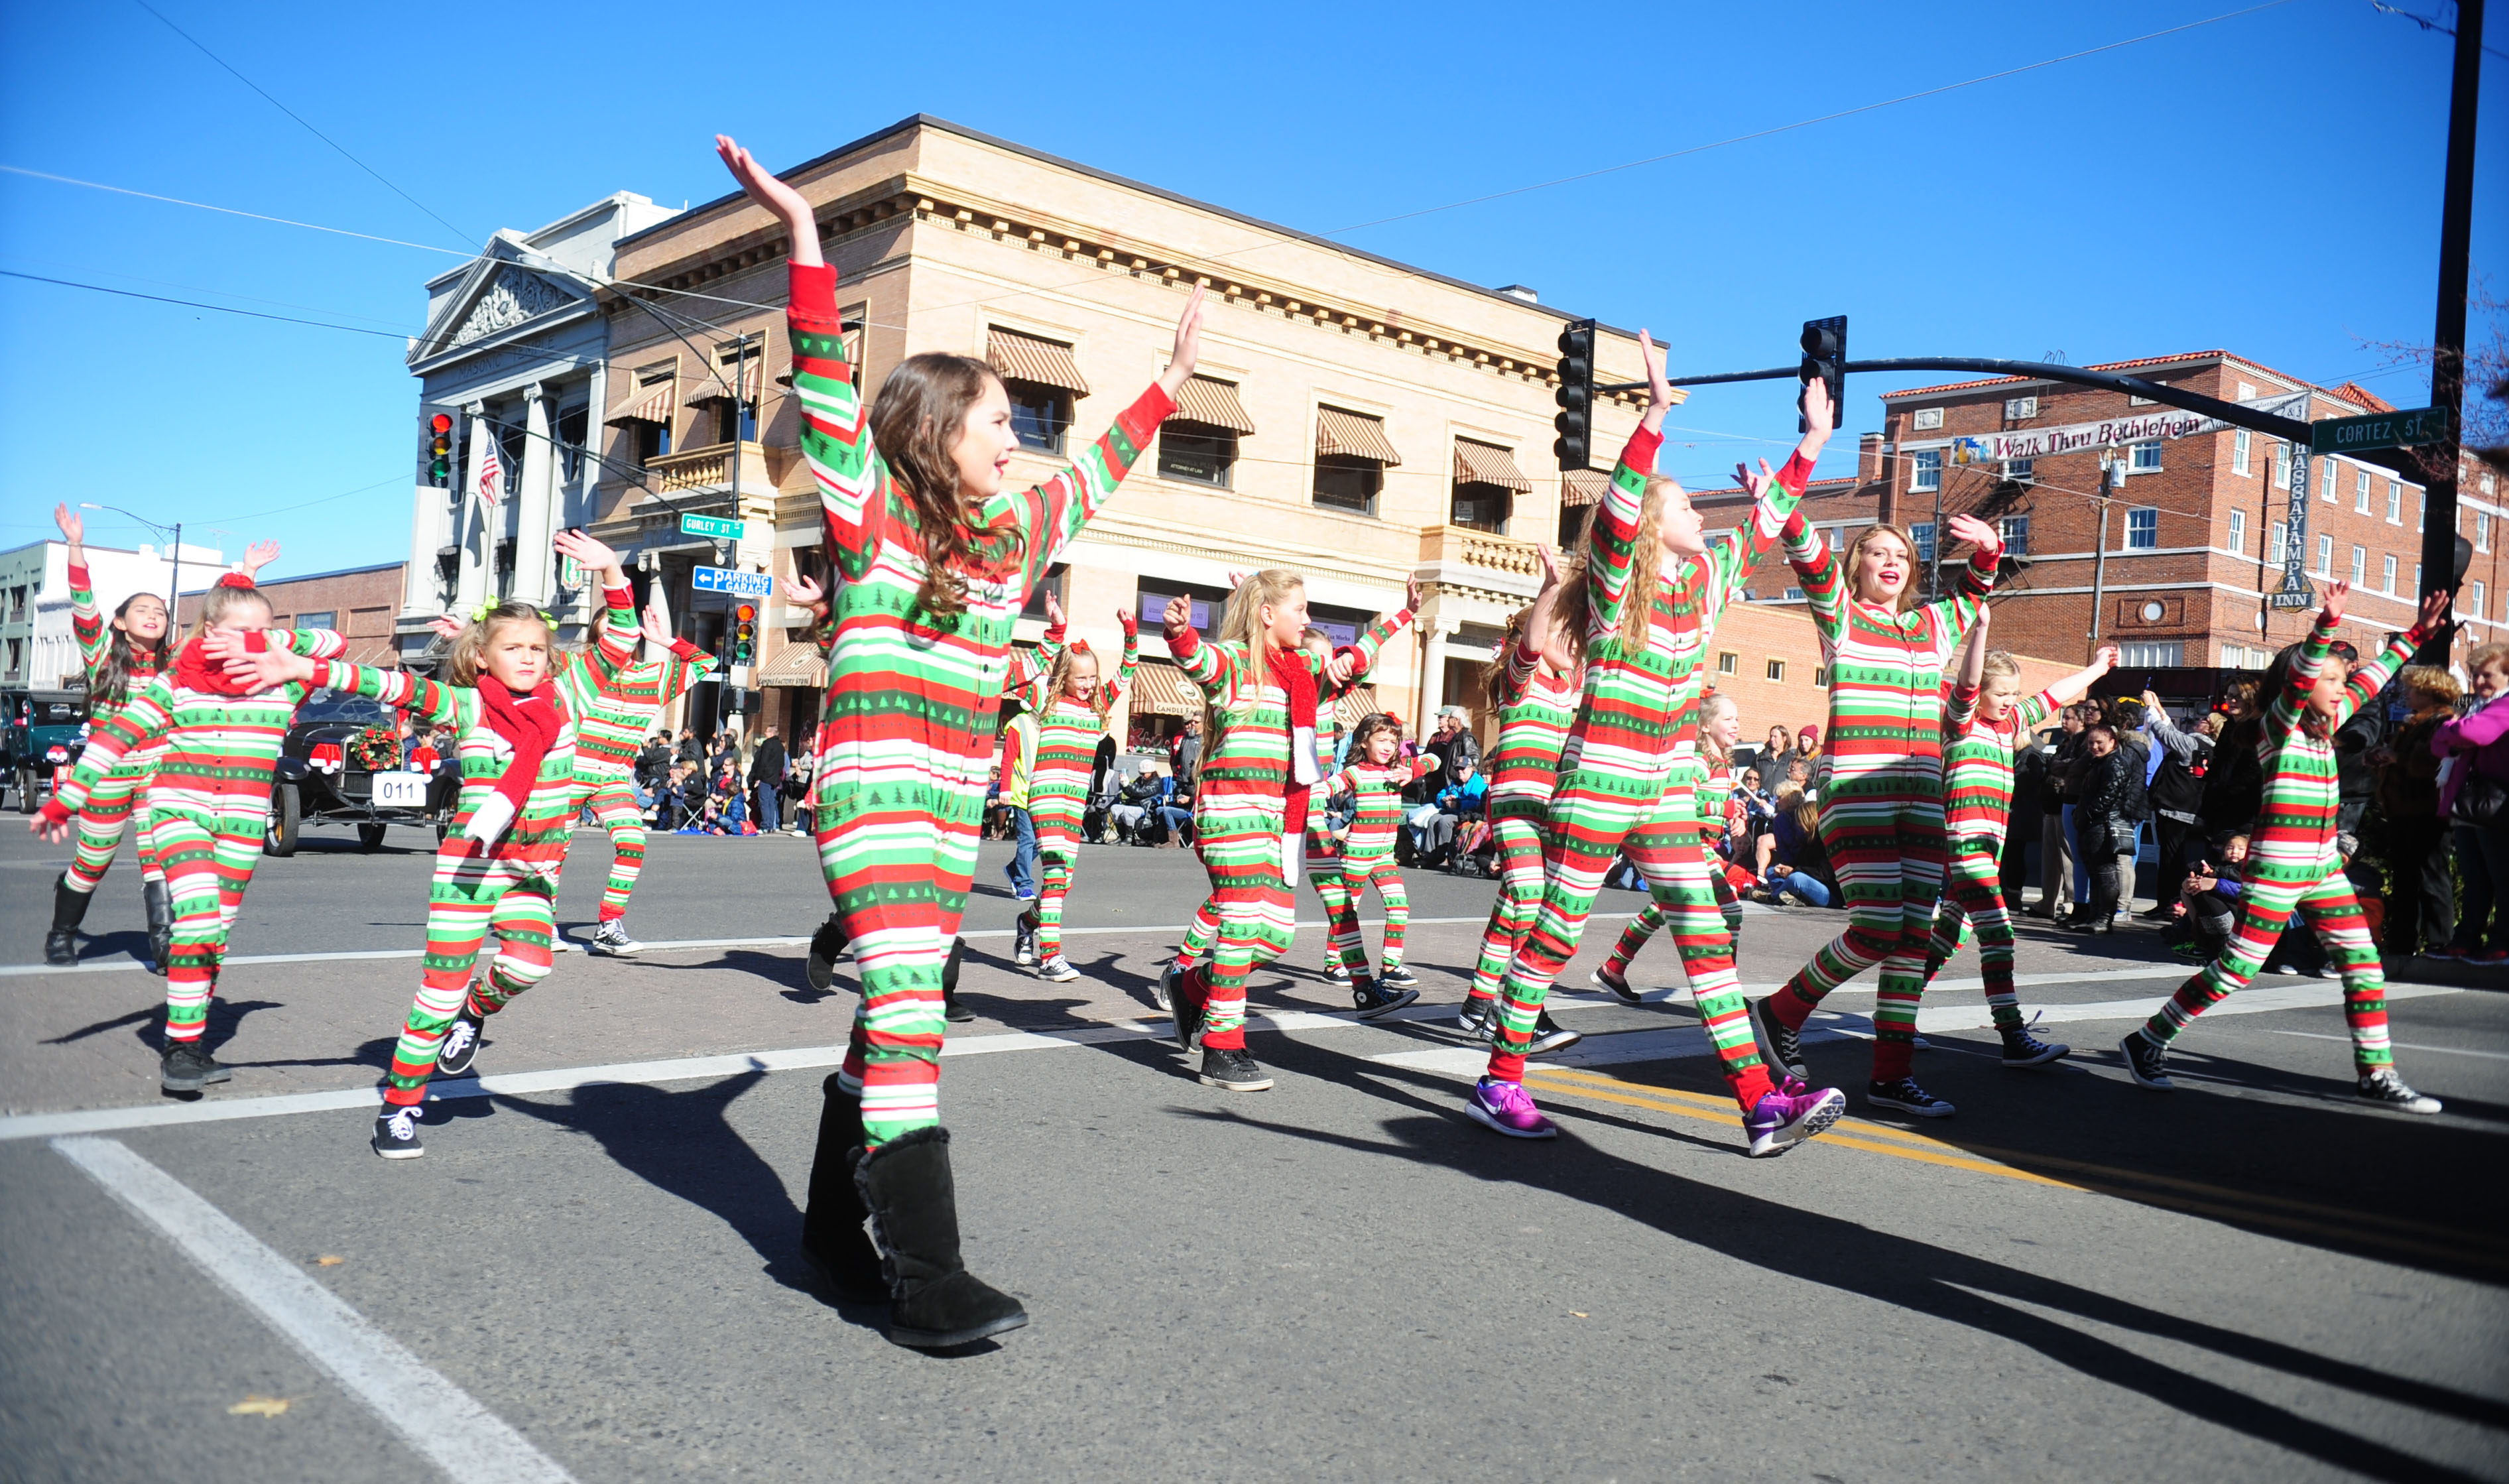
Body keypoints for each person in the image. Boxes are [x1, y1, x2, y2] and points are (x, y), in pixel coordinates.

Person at [717, 133, 1204, 1349]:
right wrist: (804, 237)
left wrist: (1168, 384)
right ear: (938, 430)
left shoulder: (1014, 533)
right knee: (909, 1005)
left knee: (897, 1005)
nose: (1016, 438)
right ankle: (925, 1273)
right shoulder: (870, 514)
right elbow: (825, 376)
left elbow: (1100, 468)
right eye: (997, 420)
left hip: (948, 810)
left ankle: (830, 1230)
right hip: (873, 796)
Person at [1475, 334, 1842, 1154]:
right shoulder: (1609, 587)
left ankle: (1758, 1104)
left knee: (1703, 934)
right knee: (1558, 928)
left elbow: (1767, 521)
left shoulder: (1709, 580)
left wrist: (1811, 443)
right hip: (1601, 777)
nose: (1699, 517)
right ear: (1649, 525)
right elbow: (1613, 510)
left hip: (1671, 780)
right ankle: (1500, 1080)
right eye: (1681, 508)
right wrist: (1650, 417)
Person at [2119, 581, 2449, 1113]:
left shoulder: (2329, 727)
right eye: (2331, 680)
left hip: (2322, 867)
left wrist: (2414, 636)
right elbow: (2299, 683)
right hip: (2277, 868)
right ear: (2299, 686)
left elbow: (2372, 678)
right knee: (2236, 968)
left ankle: (2376, 1074)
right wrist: (2324, 628)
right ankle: (2148, 1039)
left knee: (2363, 962)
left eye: (2342, 681)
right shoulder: (2280, 727)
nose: (2342, 689)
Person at [1750, 451, 2005, 1120]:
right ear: (1857, 567)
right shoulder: (1840, 615)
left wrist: (1989, 547)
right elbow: (1806, 552)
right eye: (1875, 554)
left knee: (1914, 938)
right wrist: (1786, 491)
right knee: (1879, 925)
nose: (1889, 561)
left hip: (1924, 800)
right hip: (1857, 790)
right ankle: (1779, 1012)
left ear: (1912, 570)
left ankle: (1891, 1076)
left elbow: (1979, 588)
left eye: (1899, 555)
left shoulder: (1934, 623)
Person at [32, 578, 342, 1093]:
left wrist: (273, 644)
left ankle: (189, 1042)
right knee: (192, 913)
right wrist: (68, 798)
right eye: (240, 631)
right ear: (209, 633)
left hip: (242, 826)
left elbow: (336, 646)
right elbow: (118, 733)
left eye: (265, 631)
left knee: (213, 936)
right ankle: (178, 1051)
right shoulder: (176, 681)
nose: (256, 639)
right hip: (180, 810)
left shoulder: (287, 683)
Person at [1161, 571, 1416, 1091]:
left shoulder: (1305, 669)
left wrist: (1404, 615)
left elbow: (1353, 661)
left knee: (1275, 937)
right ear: (1267, 614)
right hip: (1230, 811)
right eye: (1299, 609)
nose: (1308, 619)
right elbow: (1197, 661)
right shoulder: (1233, 661)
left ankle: (1191, 986)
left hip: (1280, 819)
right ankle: (1221, 1048)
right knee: (1237, 924)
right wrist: (1179, 633)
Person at [43, 505, 263, 968]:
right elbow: (85, 605)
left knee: (159, 860)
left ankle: (164, 946)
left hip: (161, 779)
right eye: (141, 610)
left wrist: (245, 573)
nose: (153, 616)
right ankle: (62, 934)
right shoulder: (102, 657)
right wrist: (76, 546)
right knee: (93, 862)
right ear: (121, 622)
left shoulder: (179, 661)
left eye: (160, 612)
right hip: (109, 778)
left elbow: (215, 625)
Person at [1914, 617, 2115, 1076]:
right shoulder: (1960, 723)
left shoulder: (2012, 723)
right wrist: (1981, 628)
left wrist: (2097, 670)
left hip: (1990, 845)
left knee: (1950, 934)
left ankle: (1898, 1014)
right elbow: (1966, 681)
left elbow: (2056, 693)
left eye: (2013, 694)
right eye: (2000, 693)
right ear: (1980, 693)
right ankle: (2012, 1036)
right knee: (2000, 934)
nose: (2009, 702)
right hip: (1964, 844)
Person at [1463, 547, 1581, 1048]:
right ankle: (1523, 1013)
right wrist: (1549, 588)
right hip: (1514, 803)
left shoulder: (1568, 688)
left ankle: (1478, 1003)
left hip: (1550, 811)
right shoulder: (1522, 677)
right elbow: (1532, 644)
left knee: (1515, 903)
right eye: (1564, 633)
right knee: (1530, 900)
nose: (1571, 644)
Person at [564, 603, 714, 956]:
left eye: (623, 633)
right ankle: (540, 924)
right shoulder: (578, 670)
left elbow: (706, 663)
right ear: (595, 642)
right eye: (607, 635)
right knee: (554, 852)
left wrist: (665, 639)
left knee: (633, 842)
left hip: (613, 779)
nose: (616, 641)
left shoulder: (653, 676)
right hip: (569, 773)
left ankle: (608, 925)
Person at [1005, 590, 1138, 982]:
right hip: (1045, 797)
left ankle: (1028, 924)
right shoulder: (1045, 696)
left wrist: (1131, 632)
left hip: (1074, 802)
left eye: (1092, 678)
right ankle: (1051, 957)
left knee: (1062, 882)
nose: (1087, 684)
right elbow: (1011, 679)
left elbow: (1128, 669)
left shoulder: (1099, 707)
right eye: (1080, 678)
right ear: (1065, 677)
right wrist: (1055, 632)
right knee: (1057, 871)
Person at [1589, 690, 1751, 1000]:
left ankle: (1614, 968)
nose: (1736, 725)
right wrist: (1722, 810)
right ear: (1705, 725)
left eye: (1737, 719)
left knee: (1665, 907)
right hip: (1687, 846)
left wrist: (1734, 818)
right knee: (1731, 911)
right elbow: (1678, 802)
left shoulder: (1721, 764)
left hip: (1702, 846)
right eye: (1728, 718)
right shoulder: (1699, 762)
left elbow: (1713, 805)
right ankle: (1726, 990)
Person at [1326, 713, 1438, 1015]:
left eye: (1393, 741)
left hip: (1384, 856)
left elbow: (1435, 760)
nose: (1389, 746)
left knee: (1399, 906)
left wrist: (1412, 770)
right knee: (1348, 911)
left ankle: (1390, 966)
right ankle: (1332, 962)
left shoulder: (1398, 771)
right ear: (1364, 742)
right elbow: (1329, 786)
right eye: (1381, 740)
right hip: (1357, 854)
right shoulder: (1356, 773)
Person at [2372, 666, 2458, 957]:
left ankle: (2440, 941)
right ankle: (2402, 941)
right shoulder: (2415, 723)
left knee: (2432, 877)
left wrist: (2397, 757)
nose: (2407, 693)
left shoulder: (2443, 722)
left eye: (2413, 689)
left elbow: (2433, 764)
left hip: (2427, 812)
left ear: (2430, 692)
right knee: (2405, 879)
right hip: (2402, 811)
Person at [2431, 641, 2509, 963]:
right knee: (2475, 877)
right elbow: (2437, 745)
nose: (2478, 683)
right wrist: (2453, 734)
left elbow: (2477, 735)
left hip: (2497, 805)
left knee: (2502, 876)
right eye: (2475, 675)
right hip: (2469, 804)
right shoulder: (2480, 708)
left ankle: (2502, 942)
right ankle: (2465, 939)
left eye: (2487, 676)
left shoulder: (2503, 707)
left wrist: (2450, 729)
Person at [2138, 695, 2215, 920]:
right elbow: (2171, 731)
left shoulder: (2193, 744)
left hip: (2176, 810)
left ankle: (2171, 904)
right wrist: (2160, 707)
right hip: (2180, 809)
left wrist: (2151, 708)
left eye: (2204, 720)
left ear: (2210, 730)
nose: (2198, 720)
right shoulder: (2199, 745)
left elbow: (2165, 734)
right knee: (2171, 858)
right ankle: (2168, 903)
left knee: (2172, 860)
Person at [2027, 706, 2086, 919]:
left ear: (2080, 721)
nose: (2064, 722)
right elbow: (2054, 765)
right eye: (2064, 717)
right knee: (2050, 857)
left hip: (2066, 801)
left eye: (2069, 718)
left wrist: (2058, 765)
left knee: (2067, 855)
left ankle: (2071, 901)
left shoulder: (2083, 742)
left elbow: (2070, 767)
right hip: (2051, 803)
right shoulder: (2065, 742)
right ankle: (2047, 902)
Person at [2176, 834, 2249, 963]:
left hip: (2237, 912)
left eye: (2241, 849)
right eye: (2230, 848)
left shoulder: (2245, 867)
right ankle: (2207, 940)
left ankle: (2224, 940)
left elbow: (2236, 878)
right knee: (2198, 891)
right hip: (2216, 913)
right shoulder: (2219, 865)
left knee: (2207, 891)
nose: (2234, 852)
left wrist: (2215, 876)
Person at [749, 724, 788, 836]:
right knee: (771, 802)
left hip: (766, 777)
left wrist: (758, 777)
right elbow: (781, 764)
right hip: (775, 778)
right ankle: (771, 825)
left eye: (767, 732)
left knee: (764, 802)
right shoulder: (781, 747)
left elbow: (763, 761)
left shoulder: (767, 744)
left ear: (771, 733)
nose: (765, 734)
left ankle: (765, 825)